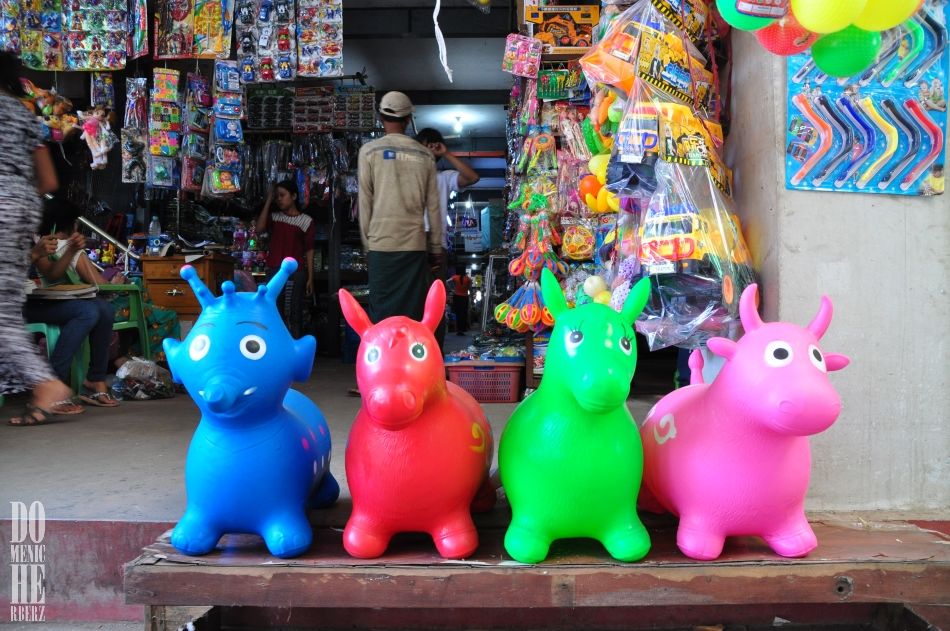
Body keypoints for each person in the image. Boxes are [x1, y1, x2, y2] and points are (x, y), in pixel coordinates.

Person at [0, 52, 77, 426]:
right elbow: (48, 181)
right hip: (21, 207)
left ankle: (46, 383)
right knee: (6, 306)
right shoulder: (22, 113)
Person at [357, 92, 444, 334]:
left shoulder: (368, 152)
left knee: (381, 316)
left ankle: (384, 357)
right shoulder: (425, 155)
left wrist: (368, 245)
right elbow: (433, 207)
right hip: (413, 247)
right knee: (412, 316)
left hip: (381, 245)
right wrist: (435, 248)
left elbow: (365, 203)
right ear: (408, 120)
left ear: (380, 117)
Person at [26, 197, 120, 407]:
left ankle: (95, 380)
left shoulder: (35, 238)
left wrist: (69, 250)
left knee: (104, 309)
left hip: (34, 299)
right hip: (13, 305)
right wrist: (34, 254)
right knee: (87, 312)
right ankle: (53, 384)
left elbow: (51, 274)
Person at [414, 127, 480, 279]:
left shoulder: (444, 177)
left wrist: (445, 153)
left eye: (431, 147)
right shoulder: (407, 177)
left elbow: (473, 177)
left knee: (435, 288)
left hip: (436, 243)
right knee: (413, 289)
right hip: (412, 241)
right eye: (423, 147)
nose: (426, 151)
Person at [255, 179, 315, 338]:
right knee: (274, 310)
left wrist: (311, 277)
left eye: (282, 195)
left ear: (294, 196)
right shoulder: (274, 217)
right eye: (277, 196)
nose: (279, 199)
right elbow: (259, 229)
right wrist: (269, 200)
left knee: (296, 312)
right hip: (274, 269)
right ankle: (278, 345)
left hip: (297, 271)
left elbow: (310, 250)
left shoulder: (306, 221)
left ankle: (294, 345)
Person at [449, 269, 472, 335]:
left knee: (457, 313)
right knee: (464, 313)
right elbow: (470, 288)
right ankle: (462, 329)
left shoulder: (455, 277)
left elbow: (447, 281)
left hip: (457, 296)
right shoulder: (468, 279)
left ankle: (458, 329)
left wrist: (452, 289)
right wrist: (467, 290)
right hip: (465, 297)